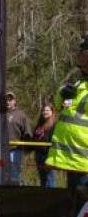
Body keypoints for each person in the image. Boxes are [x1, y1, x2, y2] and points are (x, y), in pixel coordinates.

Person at [47, 35, 88, 189]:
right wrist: (62, 93)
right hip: (72, 160)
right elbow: (58, 106)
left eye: (82, 51)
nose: (79, 55)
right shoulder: (79, 83)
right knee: (73, 199)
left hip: (83, 162)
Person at [0, 91, 30, 185]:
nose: (7, 102)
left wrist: (27, 148)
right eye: (6, 100)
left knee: (14, 175)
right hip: (0, 150)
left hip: (15, 150)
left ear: (14, 101)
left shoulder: (21, 115)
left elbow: (27, 132)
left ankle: (14, 192)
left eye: (10, 100)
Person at [32, 100, 57, 188]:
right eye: (43, 110)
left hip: (48, 155)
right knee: (42, 179)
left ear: (52, 112)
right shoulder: (40, 124)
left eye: (47, 110)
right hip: (39, 155)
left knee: (49, 179)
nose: (45, 112)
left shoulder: (54, 125)